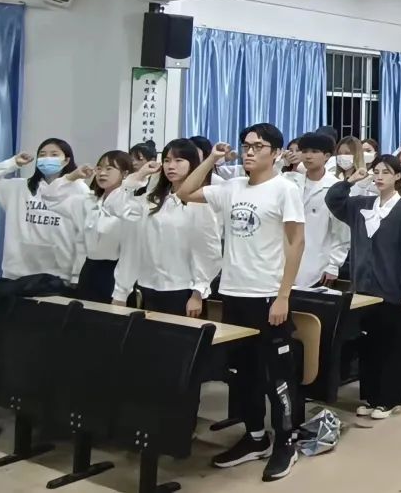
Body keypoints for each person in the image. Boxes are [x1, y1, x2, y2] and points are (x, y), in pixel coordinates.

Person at [176, 124, 306, 482]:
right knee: (244, 373)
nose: (249, 151)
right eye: (246, 145)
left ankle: (286, 441)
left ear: (275, 153)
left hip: (267, 296)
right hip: (234, 294)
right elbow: (184, 192)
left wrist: (283, 295)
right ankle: (255, 436)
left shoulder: (284, 189)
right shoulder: (231, 187)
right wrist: (212, 159)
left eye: (258, 146)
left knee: (278, 376)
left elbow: (296, 243)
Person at [325, 156, 401, 419]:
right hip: (364, 289)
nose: (379, 177)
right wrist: (350, 181)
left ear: (397, 177)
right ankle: (370, 397)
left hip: (391, 289)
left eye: (386, 172)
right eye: (376, 172)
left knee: (391, 345)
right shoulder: (363, 204)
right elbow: (333, 200)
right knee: (369, 346)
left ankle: (389, 399)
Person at [107, 139, 222, 315]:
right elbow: (113, 207)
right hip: (148, 287)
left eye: (178, 160)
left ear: (192, 164)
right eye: (167, 161)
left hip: (183, 290)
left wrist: (198, 292)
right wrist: (139, 176)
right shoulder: (152, 200)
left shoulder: (200, 203)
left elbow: (208, 251)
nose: (171, 166)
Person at [0, 138, 86, 282]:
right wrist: (13, 163)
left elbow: (83, 235)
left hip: (58, 275)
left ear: (66, 160)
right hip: (16, 274)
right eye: (42, 154)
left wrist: (76, 275)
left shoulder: (79, 189)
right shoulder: (20, 187)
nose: (47, 158)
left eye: (54, 154)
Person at [41, 150, 133, 303]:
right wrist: (72, 176)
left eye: (109, 168)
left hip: (115, 273)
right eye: (99, 168)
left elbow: (131, 254)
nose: (102, 173)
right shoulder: (88, 201)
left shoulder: (130, 206)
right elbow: (49, 197)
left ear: (125, 174)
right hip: (89, 270)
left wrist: (122, 292)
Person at [293, 133, 350, 288]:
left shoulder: (336, 188)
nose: (308, 156)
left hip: (318, 264)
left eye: (314, 151)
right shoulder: (291, 183)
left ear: (327, 156)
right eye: (304, 151)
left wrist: (334, 264)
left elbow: (342, 232)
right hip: (287, 260)